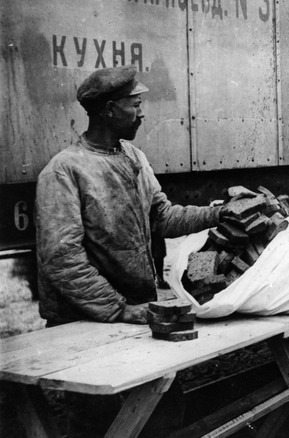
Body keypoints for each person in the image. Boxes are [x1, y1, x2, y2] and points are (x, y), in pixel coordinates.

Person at [35, 66, 226, 437]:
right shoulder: (64, 171)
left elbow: (165, 217)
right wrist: (118, 308)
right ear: (108, 110)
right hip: (84, 325)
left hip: (136, 313)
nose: (142, 112)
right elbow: (62, 260)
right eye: (134, 104)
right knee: (100, 424)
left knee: (164, 410)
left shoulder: (134, 157)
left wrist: (219, 212)